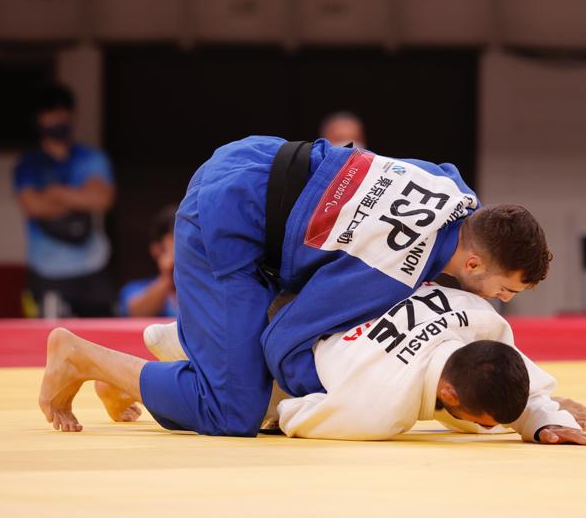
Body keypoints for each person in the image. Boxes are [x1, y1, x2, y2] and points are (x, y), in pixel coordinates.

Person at [40, 135, 552, 438]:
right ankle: (81, 357)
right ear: (472, 260)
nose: (498, 301)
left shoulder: (454, 190)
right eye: (503, 289)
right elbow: (283, 340)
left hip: (259, 158)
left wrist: (533, 408)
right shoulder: (390, 266)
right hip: (226, 220)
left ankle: (143, 377)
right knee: (235, 409)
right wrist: (338, 381)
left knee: (265, 334)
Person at [88, 282, 586, 445]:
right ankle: (101, 363)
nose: (485, 429)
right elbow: (293, 418)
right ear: (449, 397)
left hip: (299, 294)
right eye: (483, 421)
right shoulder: (378, 407)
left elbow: (507, 370)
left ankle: (163, 356)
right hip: (270, 330)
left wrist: (542, 420)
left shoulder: (477, 317)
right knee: (243, 413)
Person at [14, 83, 116, 317]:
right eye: (51, 113)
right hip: (46, 271)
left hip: (92, 267)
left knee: (102, 342)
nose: (58, 119)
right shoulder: (28, 165)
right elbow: (33, 206)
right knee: (46, 344)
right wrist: (80, 196)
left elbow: (102, 198)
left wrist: (54, 192)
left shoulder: (91, 158)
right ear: (39, 119)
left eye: (63, 112)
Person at [118, 205, 178, 318]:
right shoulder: (135, 289)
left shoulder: (210, 284)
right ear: (157, 250)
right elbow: (136, 313)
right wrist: (167, 276)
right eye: (178, 241)